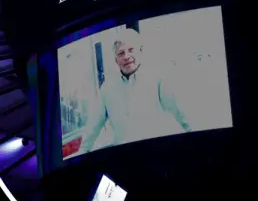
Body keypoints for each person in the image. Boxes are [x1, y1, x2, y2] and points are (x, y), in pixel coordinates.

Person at [77, 26, 192, 154]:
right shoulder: (107, 89)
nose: (126, 56)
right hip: (126, 159)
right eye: (121, 53)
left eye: (131, 50)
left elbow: (181, 112)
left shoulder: (157, 78)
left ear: (140, 51)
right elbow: (93, 126)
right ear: (116, 60)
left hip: (157, 153)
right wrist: (81, 153)